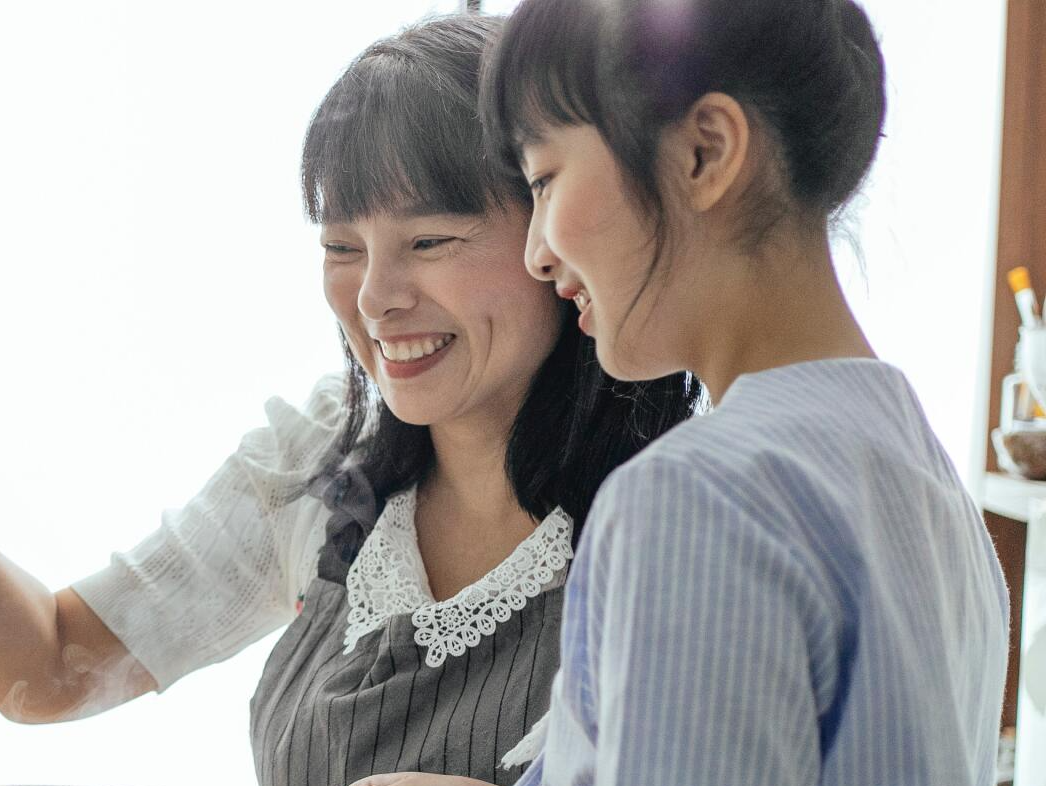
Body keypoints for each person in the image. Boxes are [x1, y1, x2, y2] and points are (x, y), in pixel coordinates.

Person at [0, 14, 698, 786]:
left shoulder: (693, 518)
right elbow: (55, 664)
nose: (374, 298)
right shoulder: (319, 462)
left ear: (553, 231)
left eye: (428, 242)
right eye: (341, 247)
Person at [352, 1, 1010, 785]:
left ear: (706, 153)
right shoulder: (926, 482)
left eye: (546, 180)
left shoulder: (698, 497)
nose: (537, 254)